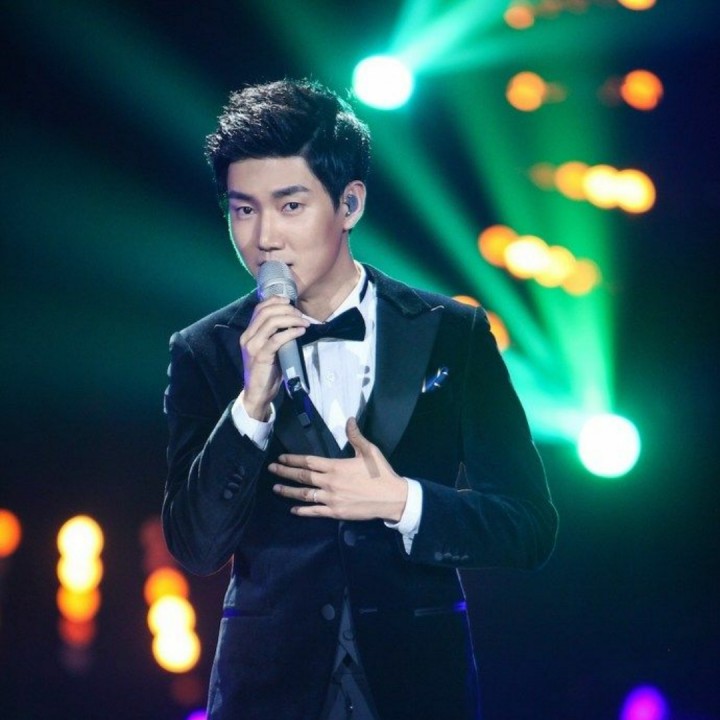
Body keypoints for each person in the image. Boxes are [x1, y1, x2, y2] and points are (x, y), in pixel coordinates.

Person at [162, 78, 558, 720]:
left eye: (291, 206)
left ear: (349, 204)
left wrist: (403, 502)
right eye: (243, 210)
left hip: (419, 687)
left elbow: (529, 526)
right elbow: (195, 545)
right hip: (269, 692)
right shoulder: (205, 349)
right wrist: (250, 407)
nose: (265, 238)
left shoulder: (452, 333)